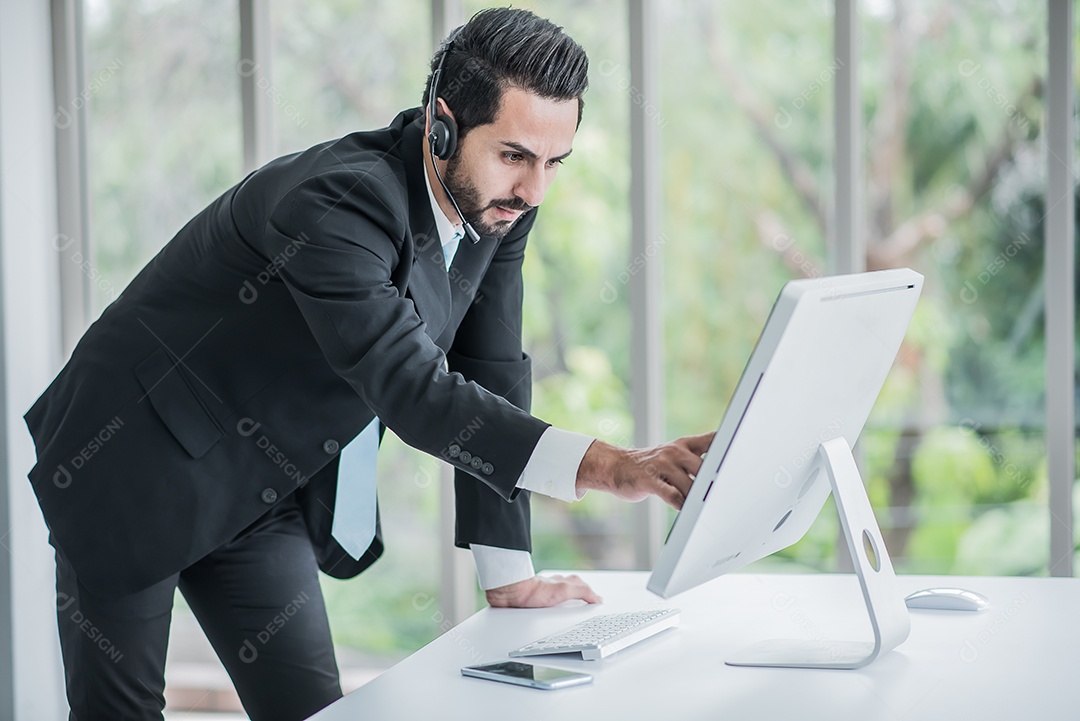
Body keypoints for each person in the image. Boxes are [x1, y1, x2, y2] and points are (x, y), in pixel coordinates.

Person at [25, 7, 711, 721]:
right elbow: (414, 389)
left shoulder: (499, 204)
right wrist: (612, 466)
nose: (535, 189)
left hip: (259, 479)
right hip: (128, 460)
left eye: (553, 162)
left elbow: (490, 362)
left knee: (314, 711)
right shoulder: (335, 205)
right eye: (514, 155)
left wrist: (508, 570)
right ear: (441, 126)